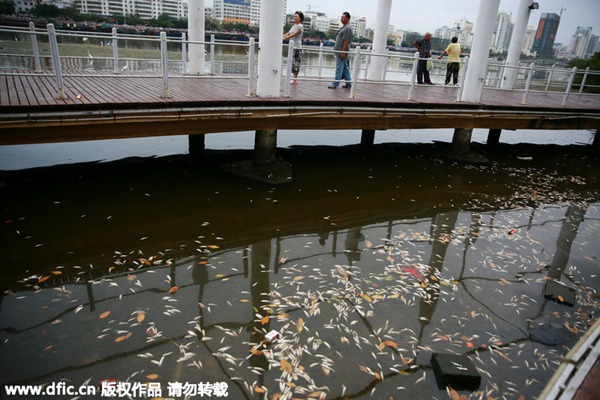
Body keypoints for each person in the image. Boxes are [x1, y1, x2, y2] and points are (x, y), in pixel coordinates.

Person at [328, 12, 352, 89]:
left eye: (343, 17)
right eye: (341, 17)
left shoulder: (347, 28)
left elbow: (346, 41)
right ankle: (348, 83)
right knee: (345, 67)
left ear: (347, 19)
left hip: (341, 51)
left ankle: (335, 84)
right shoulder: (345, 27)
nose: (341, 19)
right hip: (340, 51)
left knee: (339, 68)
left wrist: (342, 52)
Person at [282, 11, 304, 84]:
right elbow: (288, 33)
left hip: (297, 46)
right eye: (294, 16)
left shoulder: (300, 26)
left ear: (300, 18)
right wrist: (281, 36)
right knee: (292, 62)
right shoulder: (293, 26)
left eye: (296, 16)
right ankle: (293, 77)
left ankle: (294, 79)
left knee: (296, 62)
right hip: (291, 46)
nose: (295, 18)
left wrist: (285, 38)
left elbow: (294, 34)